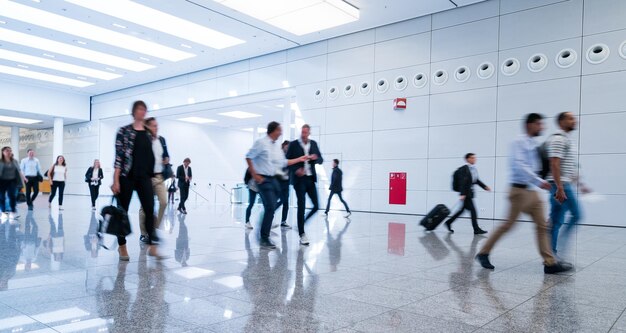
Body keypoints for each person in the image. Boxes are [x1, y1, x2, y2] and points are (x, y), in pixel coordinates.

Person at [475, 113, 572, 274]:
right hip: (518, 191)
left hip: (531, 191)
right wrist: (539, 181)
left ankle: (550, 263)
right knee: (508, 225)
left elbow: (535, 167)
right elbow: (520, 166)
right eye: (539, 124)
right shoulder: (518, 142)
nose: (542, 127)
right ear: (529, 125)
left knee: (542, 225)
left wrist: (540, 180)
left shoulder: (533, 144)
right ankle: (483, 252)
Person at [111, 100, 162, 260]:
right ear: (134, 112)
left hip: (144, 177)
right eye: (140, 109)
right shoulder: (124, 131)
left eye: (144, 109)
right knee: (122, 212)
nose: (142, 112)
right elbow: (119, 157)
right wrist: (116, 179)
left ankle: (153, 245)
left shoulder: (148, 134)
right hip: (127, 176)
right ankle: (122, 246)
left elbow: (151, 156)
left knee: (149, 209)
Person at [245, 121, 307, 249]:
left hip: (273, 179)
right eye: (279, 130)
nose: (281, 133)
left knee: (279, 201)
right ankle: (263, 237)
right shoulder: (261, 143)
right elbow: (248, 157)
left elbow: (283, 162)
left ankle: (263, 226)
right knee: (270, 206)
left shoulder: (276, 146)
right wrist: (255, 174)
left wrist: (299, 159)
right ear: (273, 131)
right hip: (262, 179)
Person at [547, 112, 590, 256]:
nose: (574, 121)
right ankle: (552, 254)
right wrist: (559, 188)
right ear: (561, 122)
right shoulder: (558, 139)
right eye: (570, 118)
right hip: (560, 185)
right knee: (568, 217)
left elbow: (569, 166)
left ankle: (552, 252)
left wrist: (580, 183)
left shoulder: (568, 141)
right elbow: (554, 163)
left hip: (564, 185)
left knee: (558, 219)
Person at [286, 124, 324, 245]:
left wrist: (315, 157)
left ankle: (302, 223)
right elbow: (287, 162)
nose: (303, 135)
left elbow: (321, 160)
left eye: (305, 133)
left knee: (316, 206)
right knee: (301, 206)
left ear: (309, 133)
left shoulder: (313, 144)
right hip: (299, 180)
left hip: (310, 179)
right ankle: (302, 234)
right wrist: (296, 170)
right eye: (302, 132)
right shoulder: (293, 144)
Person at [138, 117, 170, 244]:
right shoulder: (143, 140)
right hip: (146, 177)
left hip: (159, 176)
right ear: (147, 127)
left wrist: (165, 159)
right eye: (153, 126)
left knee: (164, 202)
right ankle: (144, 233)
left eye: (157, 126)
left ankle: (153, 228)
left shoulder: (161, 140)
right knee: (144, 207)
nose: (156, 128)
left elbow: (166, 155)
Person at [444, 153, 490, 234]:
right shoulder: (463, 169)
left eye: (474, 158)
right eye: (472, 158)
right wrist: (462, 193)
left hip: (469, 193)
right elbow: (462, 182)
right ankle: (476, 229)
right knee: (473, 211)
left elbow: (476, 180)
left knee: (461, 211)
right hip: (466, 193)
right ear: (467, 159)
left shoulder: (473, 169)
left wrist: (485, 187)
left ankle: (449, 222)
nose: (474, 159)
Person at [0, 147, 25, 221]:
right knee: (2, 197)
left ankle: (12, 212)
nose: (9, 152)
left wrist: (23, 179)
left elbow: (19, 171)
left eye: (10, 151)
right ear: (3, 152)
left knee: (12, 197)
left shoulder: (15, 161)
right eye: (7, 151)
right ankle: (3, 212)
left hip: (13, 182)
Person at [274, 140, 292, 228]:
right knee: (280, 201)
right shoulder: (280, 155)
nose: (288, 149)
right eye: (287, 147)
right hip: (279, 183)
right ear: (283, 146)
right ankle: (269, 217)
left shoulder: (289, 156)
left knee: (286, 203)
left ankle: (283, 221)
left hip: (286, 183)